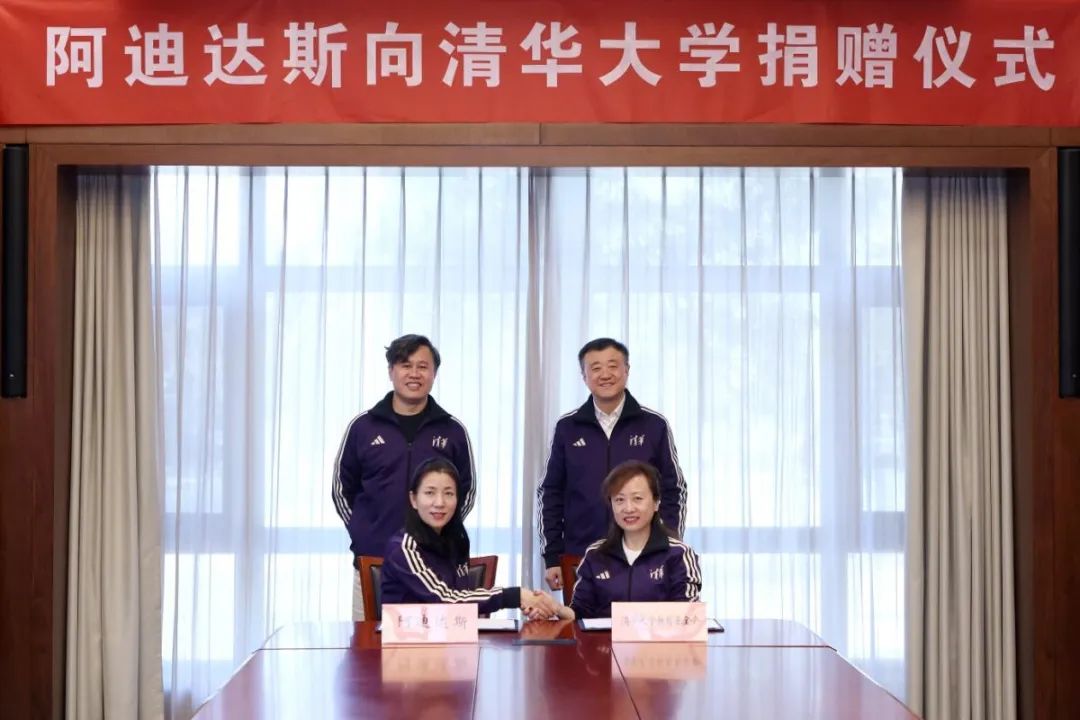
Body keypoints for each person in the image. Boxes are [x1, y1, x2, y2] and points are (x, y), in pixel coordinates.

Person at [332, 334, 476, 620]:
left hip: (435, 565)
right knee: (368, 645)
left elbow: (466, 492)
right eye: (405, 365)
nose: (414, 373)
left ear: (434, 373)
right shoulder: (363, 427)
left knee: (435, 645)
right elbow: (341, 490)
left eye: (422, 366)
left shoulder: (452, 431)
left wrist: (439, 532)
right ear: (391, 371)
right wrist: (364, 534)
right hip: (373, 561)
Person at [536, 337, 687, 591]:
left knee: (643, 618)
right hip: (580, 555)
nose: (605, 374)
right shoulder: (567, 428)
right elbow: (550, 493)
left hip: (645, 555)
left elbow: (674, 490)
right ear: (584, 376)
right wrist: (552, 556)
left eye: (613, 366)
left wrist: (668, 544)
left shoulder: (653, 425)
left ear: (626, 370)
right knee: (581, 617)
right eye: (595, 368)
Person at [382, 458, 562, 619]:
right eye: (430, 493)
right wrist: (515, 596)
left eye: (448, 493)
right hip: (406, 641)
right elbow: (446, 600)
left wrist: (532, 605)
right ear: (413, 499)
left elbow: (462, 597)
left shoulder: (456, 539)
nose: (440, 503)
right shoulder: (403, 547)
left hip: (448, 637)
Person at [563, 460, 702, 620]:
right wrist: (556, 610)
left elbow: (687, 615)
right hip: (605, 637)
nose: (628, 508)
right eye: (619, 500)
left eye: (637, 498)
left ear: (656, 503)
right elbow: (579, 613)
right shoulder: (595, 554)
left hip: (661, 637)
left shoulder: (679, 554)